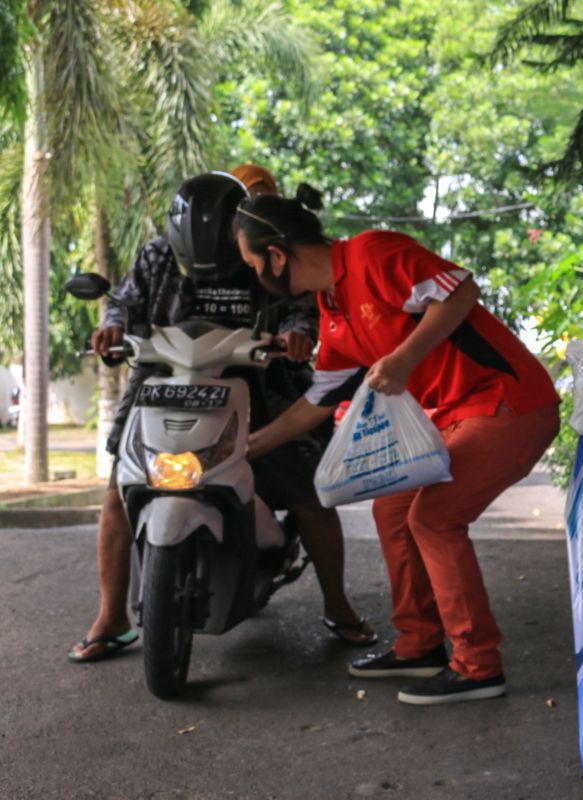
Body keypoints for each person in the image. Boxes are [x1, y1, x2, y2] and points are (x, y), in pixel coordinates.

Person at [234, 190, 560, 705]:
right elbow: (319, 401)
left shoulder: (371, 253)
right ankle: (419, 644)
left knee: (434, 519)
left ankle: (478, 665)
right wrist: (246, 448)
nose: (256, 278)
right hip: (454, 418)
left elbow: (459, 290)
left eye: (254, 264)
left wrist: (404, 359)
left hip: (509, 404)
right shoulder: (332, 308)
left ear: (276, 255)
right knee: (393, 506)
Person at [69, 168, 374, 663]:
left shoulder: (257, 248)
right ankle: (111, 618)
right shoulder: (155, 254)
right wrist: (113, 326)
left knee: (308, 495)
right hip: (160, 389)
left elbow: (300, 301)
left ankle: (339, 607)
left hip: (260, 394)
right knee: (117, 497)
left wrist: (298, 334)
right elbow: (123, 303)